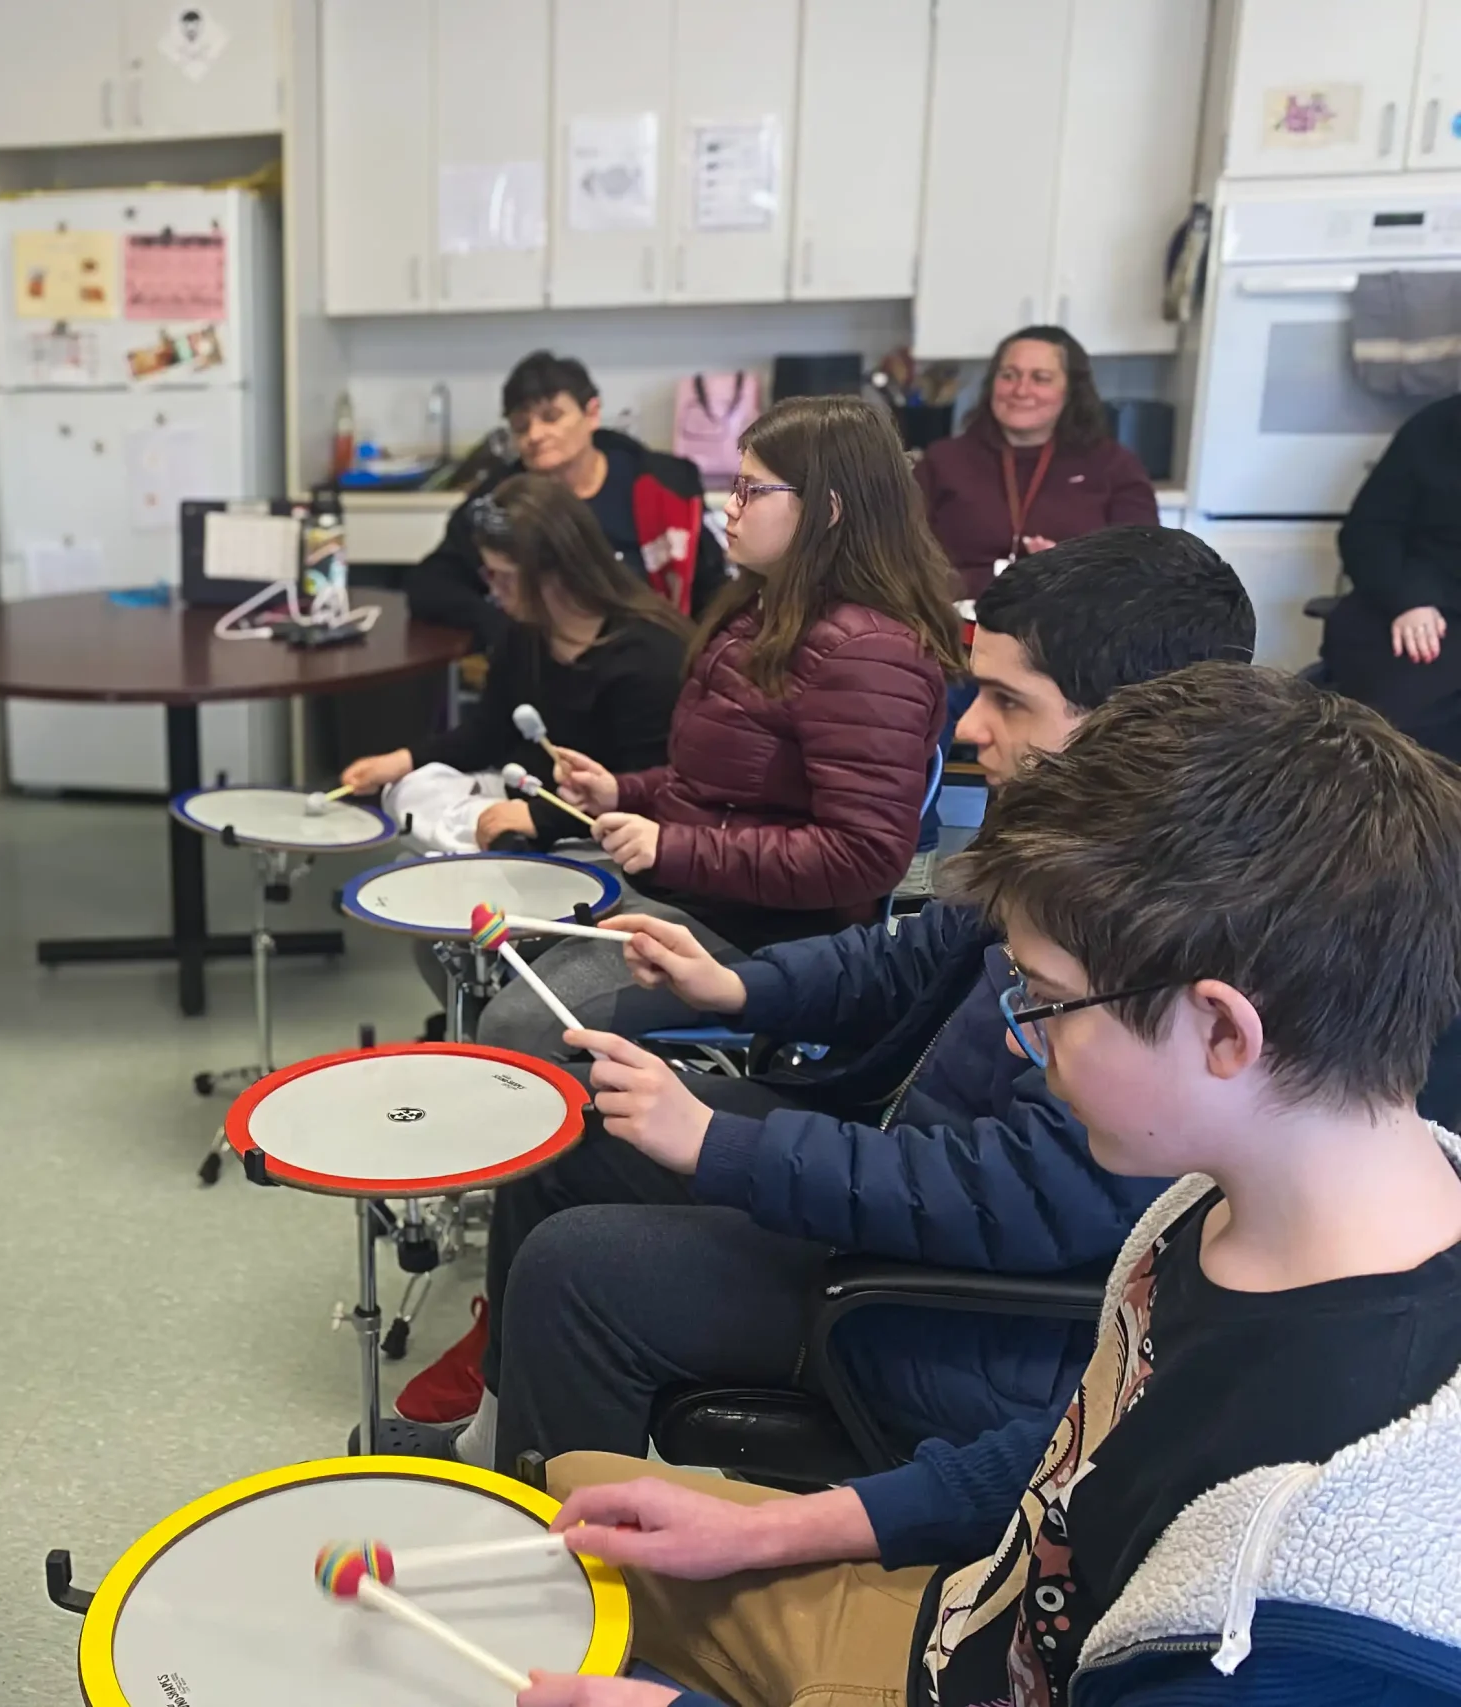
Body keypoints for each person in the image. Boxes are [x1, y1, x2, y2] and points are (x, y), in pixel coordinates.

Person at [515, 664, 1461, 1707]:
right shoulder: (1216, 1203)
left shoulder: (1296, 1617)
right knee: (563, 1519)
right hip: (967, 1615)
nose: (1023, 1039)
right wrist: (782, 1523)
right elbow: (1083, 1452)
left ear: (1222, 1029)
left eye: (1044, 1001)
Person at [395, 531, 1254, 1478]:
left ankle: (593, 1591)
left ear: (1133, 721)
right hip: (899, 1169)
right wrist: (734, 986)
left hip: (956, 1303)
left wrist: (725, 1144)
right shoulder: (1064, 838)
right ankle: (498, 1451)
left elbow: (1023, 1197)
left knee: (578, 1267)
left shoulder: (1167, 942)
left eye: (1009, 701)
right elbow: (901, 959)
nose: (970, 728)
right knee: (573, 1119)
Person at [472, 394, 961, 1062]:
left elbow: (864, 858)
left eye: (751, 491)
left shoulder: (870, 653)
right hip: (701, 889)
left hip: (765, 930)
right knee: (462, 934)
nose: (728, 507)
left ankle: (597, 1162)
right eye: (734, 487)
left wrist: (672, 846)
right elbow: (715, 785)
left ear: (830, 509)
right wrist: (624, 791)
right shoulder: (758, 606)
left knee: (515, 1027)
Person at [339, 475, 689, 850]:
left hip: (595, 826)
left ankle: (498, 848)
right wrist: (401, 761)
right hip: (519, 795)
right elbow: (488, 733)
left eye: (505, 577)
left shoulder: (649, 656)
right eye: (488, 574)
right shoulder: (525, 631)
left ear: (557, 572)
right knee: (409, 788)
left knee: (471, 833)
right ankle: (493, 843)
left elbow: (649, 792)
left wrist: (540, 819)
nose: (493, 590)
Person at [408, 351, 724, 653]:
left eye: (551, 417)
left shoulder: (663, 485)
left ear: (592, 414)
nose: (535, 435)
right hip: (549, 664)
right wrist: (506, 631)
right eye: (521, 426)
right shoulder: (499, 501)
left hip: (658, 659)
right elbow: (431, 585)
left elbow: (714, 586)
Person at [914, 324, 1159, 597]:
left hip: (1076, 625)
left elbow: (1144, 570)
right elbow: (906, 564)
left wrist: (1072, 571)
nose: (1020, 390)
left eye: (1040, 378)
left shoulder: (1116, 466)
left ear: (1071, 391)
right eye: (1009, 375)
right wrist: (994, 577)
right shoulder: (942, 461)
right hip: (960, 626)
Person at [1318, 392, 1461, 763]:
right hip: (1422, 605)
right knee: (1401, 728)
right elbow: (1366, 532)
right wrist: (1409, 600)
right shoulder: (1435, 428)